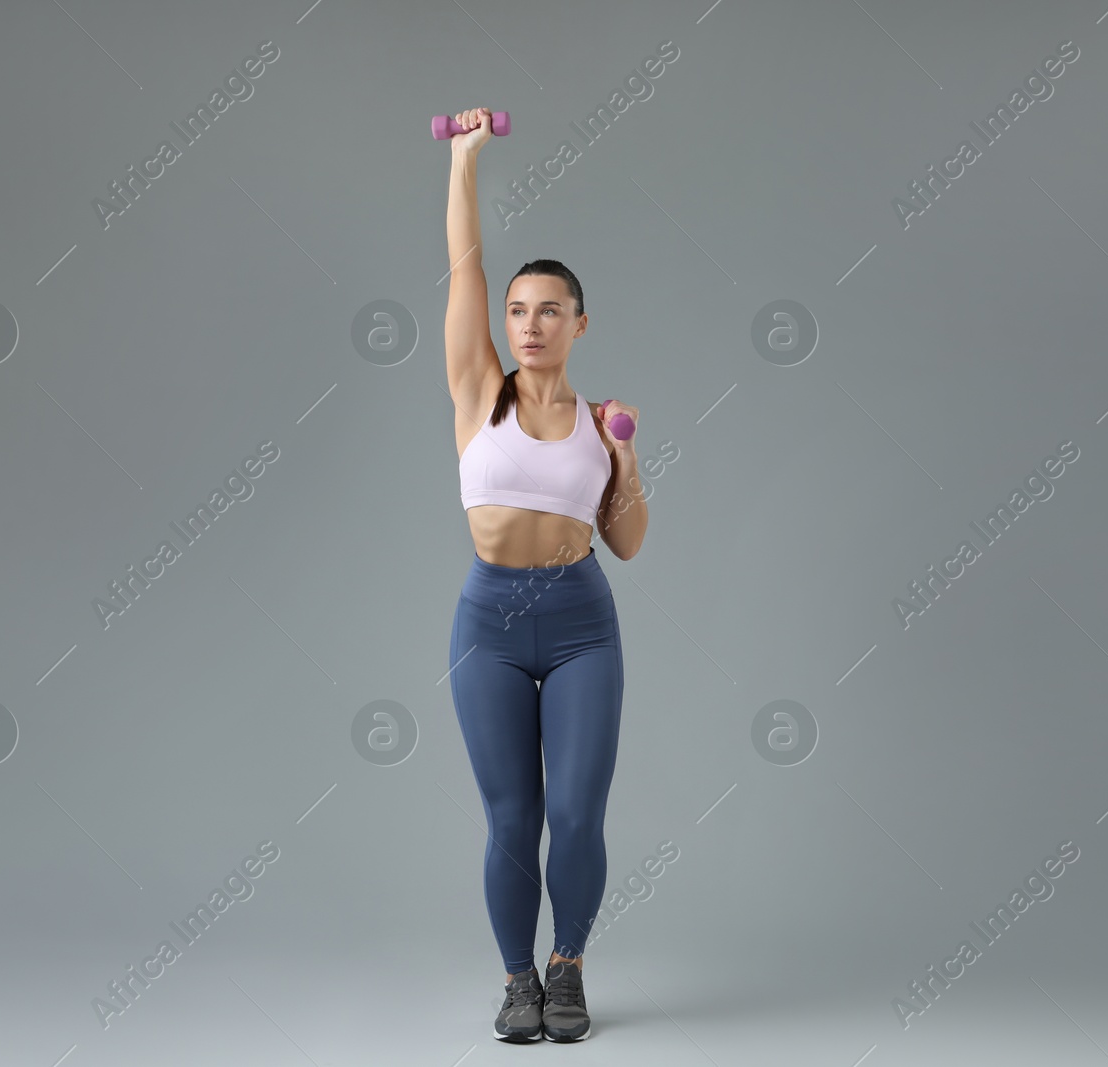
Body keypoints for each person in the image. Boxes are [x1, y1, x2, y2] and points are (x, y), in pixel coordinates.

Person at [444, 106, 648, 1043]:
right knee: (510, 817)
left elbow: (629, 542)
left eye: (547, 310)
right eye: (519, 310)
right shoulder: (477, 391)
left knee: (575, 811)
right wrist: (464, 160)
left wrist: (631, 466)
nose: (528, 324)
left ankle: (567, 968)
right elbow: (465, 270)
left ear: (579, 321)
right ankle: (517, 981)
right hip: (488, 624)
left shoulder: (604, 420)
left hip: (579, 626)